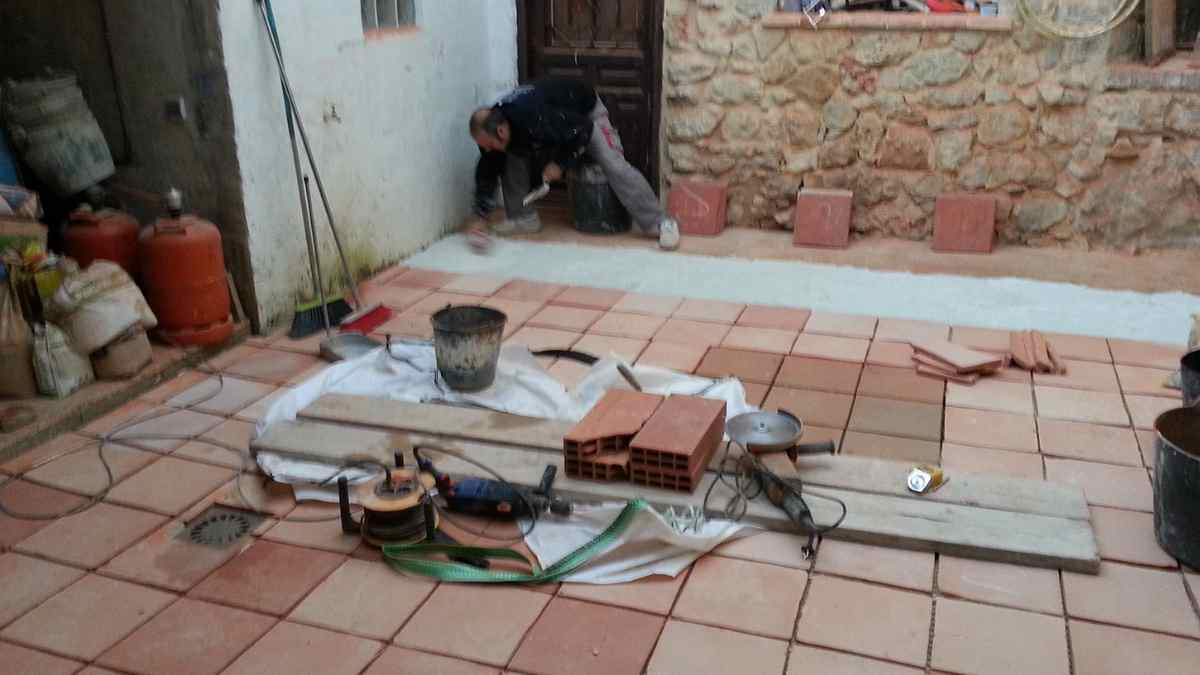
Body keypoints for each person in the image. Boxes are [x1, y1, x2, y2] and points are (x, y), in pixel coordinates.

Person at [467, 78, 680, 251]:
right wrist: (480, 215)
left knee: (613, 163)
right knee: (506, 156)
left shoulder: (534, 117)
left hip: (586, 116)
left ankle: (659, 223)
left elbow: (583, 129)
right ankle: (523, 219)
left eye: (488, 145)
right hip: (559, 122)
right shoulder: (495, 125)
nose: (486, 149)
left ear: (501, 132)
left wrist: (559, 164)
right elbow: (488, 167)